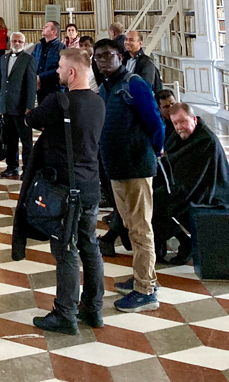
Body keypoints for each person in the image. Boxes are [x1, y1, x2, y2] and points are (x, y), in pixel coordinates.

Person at [20, 46, 106, 335]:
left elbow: (30, 119)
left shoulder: (59, 101)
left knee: (66, 249)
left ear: (71, 71)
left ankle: (65, 314)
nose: (56, 71)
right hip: (90, 186)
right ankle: (93, 309)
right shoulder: (98, 103)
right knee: (90, 246)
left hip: (65, 190)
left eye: (59, 67)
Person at [94, 38, 163, 311]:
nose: (102, 61)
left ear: (120, 57)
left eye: (108, 55)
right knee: (130, 225)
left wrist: (153, 151)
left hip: (136, 168)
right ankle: (145, 276)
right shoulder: (104, 87)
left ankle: (146, 291)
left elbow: (155, 122)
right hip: (116, 168)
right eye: (98, 57)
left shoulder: (134, 84)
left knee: (140, 228)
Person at [153, 103, 229, 265]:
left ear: (194, 119)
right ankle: (165, 245)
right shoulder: (180, 136)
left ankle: (185, 243)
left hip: (208, 194)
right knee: (149, 197)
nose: (179, 127)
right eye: (175, 123)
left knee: (151, 202)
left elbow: (191, 182)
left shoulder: (206, 141)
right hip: (189, 187)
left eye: (183, 121)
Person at [0, 32, 37, 178]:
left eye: (20, 41)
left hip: (21, 107)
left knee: (26, 142)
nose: (17, 43)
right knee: (10, 139)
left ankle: (27, 170)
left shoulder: (29, 59)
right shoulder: (3, 58)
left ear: (24, 43)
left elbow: (31, 85)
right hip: (6, 106)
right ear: (10, 42)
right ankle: (12, 166)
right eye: (14, 40)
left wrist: (29, 107)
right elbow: (0, 82)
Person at [32, 20, 62, 102]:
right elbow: (31, 63)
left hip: (54, 88)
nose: (43, 28)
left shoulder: (61, 47)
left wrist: (40, 77)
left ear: (53, 32)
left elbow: (60, 68)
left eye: (46, 26)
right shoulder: (38, 46)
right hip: (39, 87)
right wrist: (35, 78)